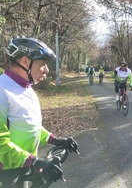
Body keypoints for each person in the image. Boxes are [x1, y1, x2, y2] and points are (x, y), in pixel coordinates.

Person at [0, 37, 79, 186]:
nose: (47, 70)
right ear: (25, 62)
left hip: (23, 168)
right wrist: (33, 161)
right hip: (6, 175)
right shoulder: (2, 90)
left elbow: (27, 124)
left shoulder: (26, 88)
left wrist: (53, 139)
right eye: (42, 64)